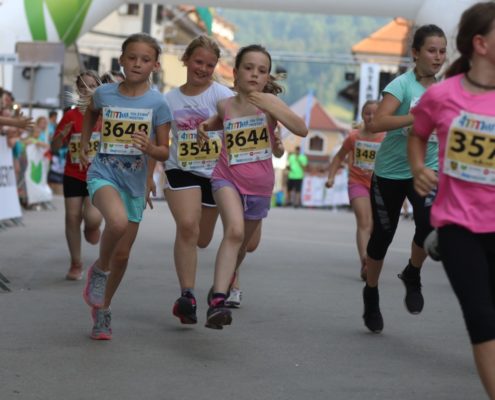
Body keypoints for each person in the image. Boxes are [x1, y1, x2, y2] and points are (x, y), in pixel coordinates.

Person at [408, 2, 495, 397]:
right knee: (482, 319)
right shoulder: (442, 96)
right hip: (459, 226)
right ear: (481, 43)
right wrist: (418, 167)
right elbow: (417, 134)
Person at [199, 44, 308, 329]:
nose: (254, 74)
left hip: (259, 186)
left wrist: (272, 108)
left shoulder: (270, 104)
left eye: (262, 71)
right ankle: (218, 301)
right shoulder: (224, 104)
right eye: (248, 68)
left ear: (267, 77)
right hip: (226, 177)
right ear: (236, 73)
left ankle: (226, 279)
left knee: (244, 247)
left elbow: (301, 128)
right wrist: (205, 126)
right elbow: (219, 120)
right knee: (234, 232)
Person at [80, 33, 171, 340]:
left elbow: (164, 151)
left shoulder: (158, 103)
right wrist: (85, 142)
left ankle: (103, 309)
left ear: (155, 65)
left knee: (123, 255)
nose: (137, 64)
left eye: (145, 60)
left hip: (134, 181)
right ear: (121, 60)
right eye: (131, 57)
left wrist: (150, 148)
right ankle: (99, 270)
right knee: (116, 223)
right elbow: (91, 111)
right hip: (104, 173)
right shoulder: (105, 93)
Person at [363, 24, 447, 333]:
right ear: (415, 53)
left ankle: (412, 272)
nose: (437, 57)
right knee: (382, 237)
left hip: (426, 169)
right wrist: (417, 117)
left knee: (428, 224)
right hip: (390, 172)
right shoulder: (402, 85)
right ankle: (371, 292)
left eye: (442, 51)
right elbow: (377, 123)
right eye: (431, 50)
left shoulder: (445, 90)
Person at [161, 35, 234, 325]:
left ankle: (209, 286)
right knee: (187, 226)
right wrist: (149, 176)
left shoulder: (221, 95)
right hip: (180, 168)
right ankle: (187, 296)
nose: (203, 69)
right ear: (186, 60)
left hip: (214, 173)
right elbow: (160, 139)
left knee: (202, 239)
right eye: (198, 62)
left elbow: (237, 126)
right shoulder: (169, 99)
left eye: (209, 65)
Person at [50, 71, 103, 281]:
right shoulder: (70, 116)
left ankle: (92, 226)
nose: (87, 89)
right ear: (77, 89)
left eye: (92, 85)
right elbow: (54, 147)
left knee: (92, 217)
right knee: (72, 217)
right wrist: (61, 137)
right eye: (83, 86)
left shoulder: (104, 114)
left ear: (98, 88)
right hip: (73, 173)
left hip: (97, 174)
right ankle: (76, 263)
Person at [325, 100, 384, 281]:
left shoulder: (386, 137)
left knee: (375, 226)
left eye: (375, 113)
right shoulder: (353, 137)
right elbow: (338, 157)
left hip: (380, 185)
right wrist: (331, 177)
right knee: (364, 221)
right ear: (362, 115)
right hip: (357, 182)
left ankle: (371, 257)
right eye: (367, 113)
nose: (371, 117)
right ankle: (365, 260)